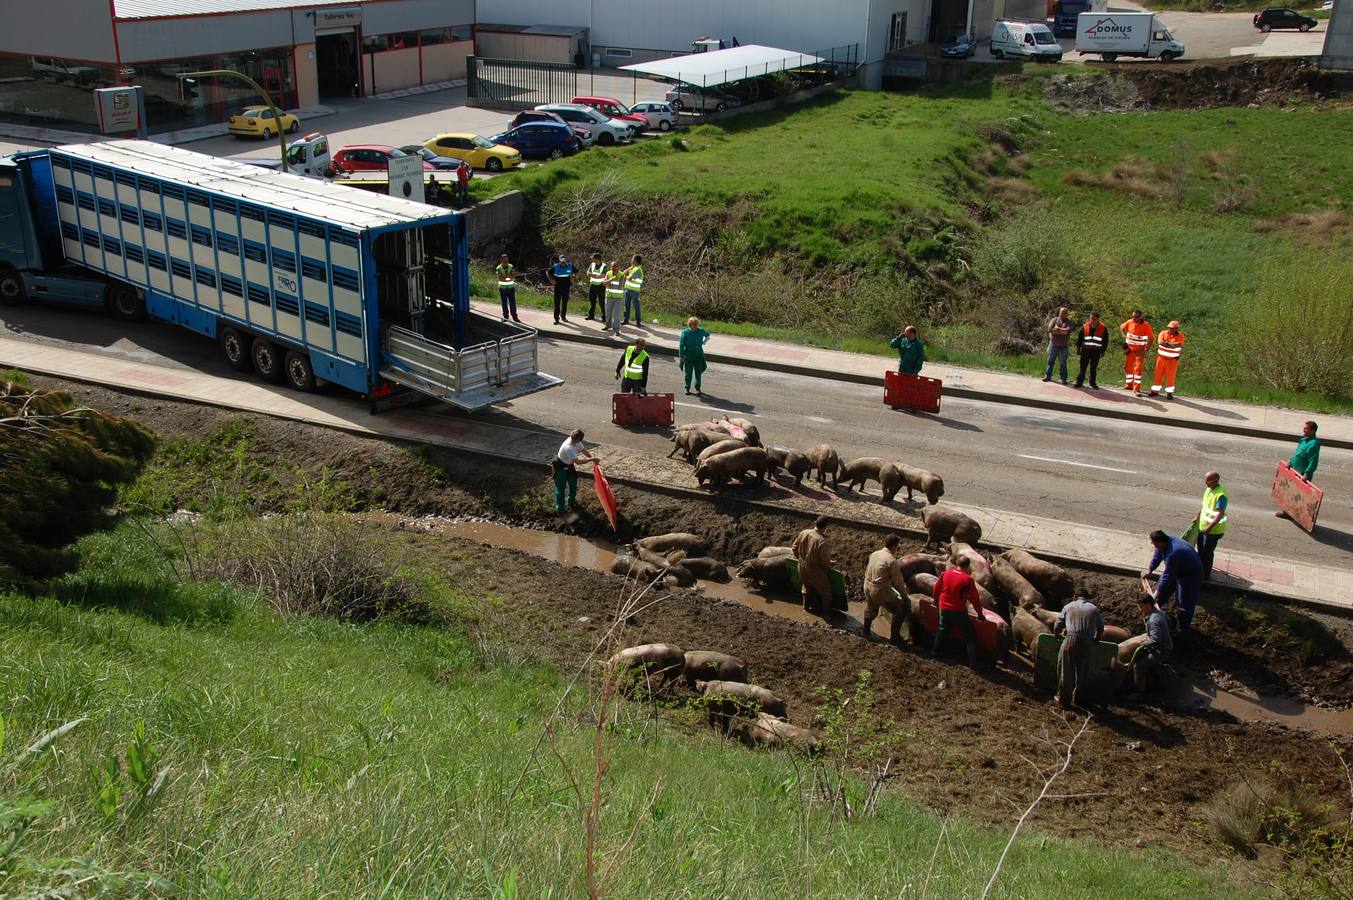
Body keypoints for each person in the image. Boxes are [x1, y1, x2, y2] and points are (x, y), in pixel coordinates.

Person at [1142, 529, 1203, 633]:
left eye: (1153, 542)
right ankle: (1154, 610)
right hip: (1178, 568)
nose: (1152, 544)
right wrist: (1150, 570)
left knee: (1183, 602)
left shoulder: (1173, 553)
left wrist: (1158, 592)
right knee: (1162, 591)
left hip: (1190, 575)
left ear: (1160, 541)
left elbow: (1167, 576)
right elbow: (1157, 555)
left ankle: (1182, 629)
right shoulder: (1165, 541)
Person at [1054, 589, 1104, 708]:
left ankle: (1064, 700)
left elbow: (1057, 625)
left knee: (1065, 670)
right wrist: (1095, 641)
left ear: (1075, 596)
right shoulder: (1094, 609)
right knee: (1083, 672)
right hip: (1087, 642)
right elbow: (1101, 629)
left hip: (1071, 640)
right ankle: (1080, 698)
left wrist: (1057, 636)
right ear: (1087, 598)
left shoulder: (1068, 606)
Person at [932, 556, 982, 667]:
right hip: (958, 610)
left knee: (942, 629)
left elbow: (936, 588)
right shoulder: (968, 580)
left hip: (943, 607)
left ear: (956, 564)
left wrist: (935, 600)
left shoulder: (946, 573)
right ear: (968, 566)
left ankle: (935, 652)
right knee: (970, 635)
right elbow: (975, 599)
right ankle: (972, 663)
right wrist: (980, 614)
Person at [862, 534, 909, 642]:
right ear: (894, 547)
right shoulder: (891, 561)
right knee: (899, 611)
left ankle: (865, 631)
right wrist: (904, 597)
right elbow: (899, 582)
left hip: (867, 585)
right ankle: (895, 637)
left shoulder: (875, 554)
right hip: (879, 590)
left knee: (871, 607)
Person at [1127, 594, 1173, 697]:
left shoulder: (1153, 620)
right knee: (1148, 663)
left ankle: (1138, 693)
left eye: (1141, 606)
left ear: (1148, 604)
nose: (1140, 609)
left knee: (1138, 666)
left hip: (1161, 650)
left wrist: (1144, 644)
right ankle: (1158, 681)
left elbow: (1155, 640)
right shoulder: (1159, 613)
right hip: (1166, 645)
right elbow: (1169, 622)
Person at [1277, 420, 1322, 520]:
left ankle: (1298, 516)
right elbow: (1297, 453)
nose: (1304, 430)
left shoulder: (1314, 444)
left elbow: (1313, 461)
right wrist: (1290, 461)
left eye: (1306, 429)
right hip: (1294, 470)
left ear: (1313, 431)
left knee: (1299, 495)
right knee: (1291, 491)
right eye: (1304, 428)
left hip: (1303, 473)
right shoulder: (1303, 440)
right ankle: (1288, 512)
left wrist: (1307, 474)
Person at [792, 515, 834, 615]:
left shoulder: (804, 532)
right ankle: (827, 615)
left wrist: (800, 558)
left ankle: (805, 609)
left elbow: (794, 547)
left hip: (801, 565)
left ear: (816, 523)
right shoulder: (822, 542)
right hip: (814, 570)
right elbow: (825, 562)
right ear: (825, 527)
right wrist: (828, 566)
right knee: (826, 592)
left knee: (806, 587)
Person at [551, 429, 597, 515]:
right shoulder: (568, 447)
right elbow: (578, 462)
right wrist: (591, 460)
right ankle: (560, 508)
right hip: (560, 466)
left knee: (573, 483)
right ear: (575, 439)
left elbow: (584, 450)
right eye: (580, 440)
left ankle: (571, 501)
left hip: (569, 465)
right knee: (561, 488)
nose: (581, 441)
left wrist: (593, 458)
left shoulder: (577, 441)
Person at [1196, 471, 1228, 581]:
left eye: (1208, 481)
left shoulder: (1221, 495)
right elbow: (1204, 506)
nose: (1206, 483)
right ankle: (1200, 569)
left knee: (1207, 554)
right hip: (1203, 528)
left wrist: (1209, 527)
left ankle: (1206, 576)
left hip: (1213, 531)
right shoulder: (1208, 490)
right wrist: (1197, 517)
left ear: (1215, 481)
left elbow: (1220, 513)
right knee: (1200, 550)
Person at [1147, 320, 1185, 399]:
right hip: (1161, 359)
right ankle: (1155, 391)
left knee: (1170, 377)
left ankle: (1169, 393)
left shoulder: (1180, 336)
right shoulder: (1163, 333)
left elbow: (1178, 344)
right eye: (1169, 328)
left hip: (1172, 360)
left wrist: (1167, 343)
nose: (1170, 329)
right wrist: (1172, 344)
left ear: (1176, 328)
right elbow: (1160, 342)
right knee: (1158, 375)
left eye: (1172, 328)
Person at [1119, 309, 1154, 394]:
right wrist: (1124, 335)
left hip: (1140, 351)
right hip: (1129, 350)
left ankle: (1136, 389)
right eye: (1133, 316)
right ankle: (1129, 385)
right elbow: (1121, 327)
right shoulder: (1129, 322)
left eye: (1136, 317)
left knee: (1138, 370)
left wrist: (1146, 350)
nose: (1134, 318)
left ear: (1140, 317)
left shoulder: (1146, 325)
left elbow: (1151, 338)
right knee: (1128, 368)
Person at [1074, 309, 1108, 389]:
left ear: (1097, 319)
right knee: (1083, 367)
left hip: (1096, 351)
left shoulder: (1103, 328)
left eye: (1094, 319)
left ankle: (1092, 382)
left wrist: (1103, 351)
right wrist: (1078, 349)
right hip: (1085, 350)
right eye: (1091, 318)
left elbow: (1105, 341)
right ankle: (1079, 382)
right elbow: (1080, 338)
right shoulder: (1085, 326)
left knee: (1093, 368)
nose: (1092, 320)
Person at [678, 316, 711, 396]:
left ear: (697, 324)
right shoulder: (685, 332)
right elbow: (681, 345)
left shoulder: (700, 331)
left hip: (698, 355)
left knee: (698, 373)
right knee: (688, 373)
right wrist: (681, 356)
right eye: (691, 324)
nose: (693, 326)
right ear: (689, 324)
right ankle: (687, 388)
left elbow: (708, 335)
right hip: (688, 355)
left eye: (695, 325)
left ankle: (697, 388)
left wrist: (704, 342)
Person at [1043, 306, 1074, 385]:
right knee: (1050, 361)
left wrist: (1057, 329)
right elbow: (1050, 330)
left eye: (1064, 313)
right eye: (1061, 312)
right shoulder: (1054, 320)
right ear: (1059, 313)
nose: (1062, 314)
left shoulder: (1069, 322)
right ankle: (1048, 376)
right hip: (1053, 345)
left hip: (1063, 347)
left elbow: (1067, 331)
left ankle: (1063, 379)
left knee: (1063, 363)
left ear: (1067, 314)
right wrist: (1061, 331)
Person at [495, 254, 520, 323]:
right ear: (501, 259)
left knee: (513, 303)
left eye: (507, 259)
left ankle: (515, 317)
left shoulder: (511, 266)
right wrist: (509, 275)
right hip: (502, 288)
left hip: (511, 287)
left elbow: (514, 275)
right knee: (504, 303)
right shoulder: (498, 268)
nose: (506, 260)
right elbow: (499, 277)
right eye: (504, 259)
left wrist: (505, 276)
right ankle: (505, 317)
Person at [550, 255, 574, 324]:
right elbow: (548, 272)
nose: (563, 262)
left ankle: (563, 317)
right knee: (557, 304)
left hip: (566, 288)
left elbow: (576, 271)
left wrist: (574, 278)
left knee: (564, 303)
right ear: (559, 260)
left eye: (564, 261)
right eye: (562, 261)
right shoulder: (556, 266)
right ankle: (556, 319)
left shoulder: (570, 266)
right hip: (558, 288)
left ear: (566, 260)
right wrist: (551, 280)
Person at [621, 254, 645, 326]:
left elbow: (629, 278)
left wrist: (625, 275)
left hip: (634, 291)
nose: (631, 260)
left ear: (636, 261)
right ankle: (626, 319)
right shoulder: (633, 267)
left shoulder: (638, 269)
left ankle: (638, 321)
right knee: (626, 305)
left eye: (632, 259)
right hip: (627, 289)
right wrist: (629, 268)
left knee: (636, 306)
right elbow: (624, 272)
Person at [603, 261, 625, 334]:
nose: (613, 268)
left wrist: (609, 283)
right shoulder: (608, 273)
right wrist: (610, 279)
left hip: (618, 298)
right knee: (608, 312)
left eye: (615, 266)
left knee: (617, 315)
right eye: (612, 266)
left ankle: (616, 330)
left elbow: (620, 286)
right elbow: (604, 283)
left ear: (618, 267)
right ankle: (608, 326)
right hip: (609, 296)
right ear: (610, 267)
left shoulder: (621, 274)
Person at [585, 252, 607, 321]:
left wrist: (593, 275)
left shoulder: (604, 266)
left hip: (601, 286)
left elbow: (603, 275)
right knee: (592, 301)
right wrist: (596, 276)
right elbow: (587, 273)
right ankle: (591, 315)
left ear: (597, 259)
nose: (592, 259)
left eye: (593, 258)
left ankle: (604, 317)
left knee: (601, 302)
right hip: (592, 285)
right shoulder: (592, 264)